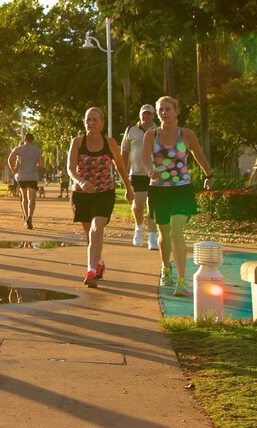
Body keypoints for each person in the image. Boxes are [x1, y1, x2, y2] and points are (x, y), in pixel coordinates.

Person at [141, 96, 213, 296]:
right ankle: (166, 268)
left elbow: (199, 155)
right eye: (161, 110)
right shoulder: (151, 135)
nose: (164, 113)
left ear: (176, 111)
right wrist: (149, 172)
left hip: (182, 188)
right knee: (164, 233)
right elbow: (145, 159)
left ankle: (181, 280)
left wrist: (209, 174)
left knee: (176, 229)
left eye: (168, 109)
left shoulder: (187, 135)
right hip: (159, 189)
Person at [67, 107, 134, 288]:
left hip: (104, 193)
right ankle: (99, 263)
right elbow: (71, 169)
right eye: (89, 119)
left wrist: (129, 188)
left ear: (102, 123)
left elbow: (120, 167)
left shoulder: (110, 143)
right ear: (85, 122)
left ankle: (91, 271)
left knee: (96, 230)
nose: (92, 123)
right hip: (82, 194)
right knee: (91, 235)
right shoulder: (77, 142)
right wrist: (81, 182)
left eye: (95, 120)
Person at [121, 104, 159, 250]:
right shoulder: (131, 130)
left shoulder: (159, 130)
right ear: (140, 115)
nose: (146, 116)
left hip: (155, 173)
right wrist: (123, 172)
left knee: (153, 206)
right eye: (144, 114)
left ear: (153, 116)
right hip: (136, 173)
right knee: (138, 204)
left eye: (149, 114)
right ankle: (139, 228)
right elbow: (125, 152)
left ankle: (152, 236)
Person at [9, 133, 44, 229]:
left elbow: (10, 158)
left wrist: (13, 168)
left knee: (24, 198)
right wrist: (36, 166)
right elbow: (41, 165)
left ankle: (25, 218)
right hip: (32, 176)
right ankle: (30, 217)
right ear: (32, 140)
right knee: (31, 199)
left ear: (24, 139)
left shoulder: (18, 149)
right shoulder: (37, 150)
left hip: (21, 177)